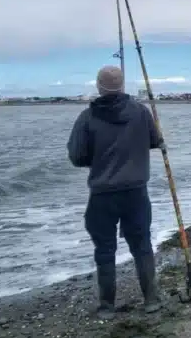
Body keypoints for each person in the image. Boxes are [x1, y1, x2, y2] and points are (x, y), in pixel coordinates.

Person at [67, 65, 164, 318]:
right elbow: (155, 141)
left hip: (102, 195)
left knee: (105, 250)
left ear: (99, 86)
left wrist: (100, 160)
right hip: (136, 193)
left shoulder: (87, 117)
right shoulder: (141, 112)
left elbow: (77, 157)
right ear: (122, 86)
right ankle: (151, 300)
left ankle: (107, 307)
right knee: (142, 245)